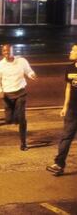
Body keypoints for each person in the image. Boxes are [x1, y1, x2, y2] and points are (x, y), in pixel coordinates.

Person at [0, 44, 37, 151]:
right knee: (9, 120)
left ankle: (23, 143)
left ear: (13, 51)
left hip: (20, 93)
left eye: (8, 50)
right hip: (7, 96)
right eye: (4, 51)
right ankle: (13, 117)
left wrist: (32, 74)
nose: (6, 52)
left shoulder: (22, 61)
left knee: (22, 119)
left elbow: (28, 71)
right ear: (2, 52)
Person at [46, 43, 77, 176]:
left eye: (73, 50)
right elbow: (68, 88)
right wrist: (65, 106)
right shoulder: (70, 68)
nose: (70, 51)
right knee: (66, 137)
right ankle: (59, 164)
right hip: (72, 109)